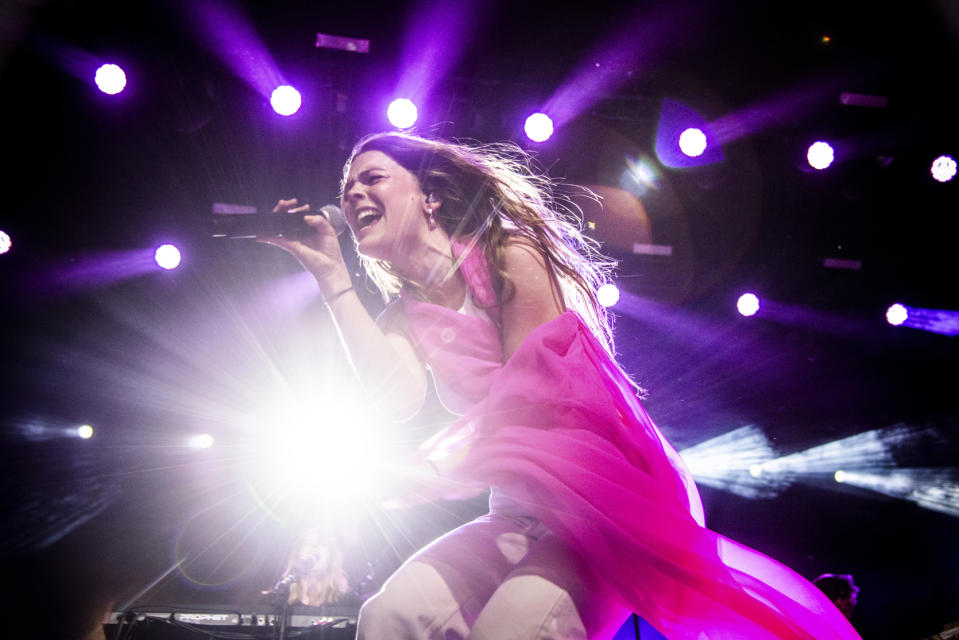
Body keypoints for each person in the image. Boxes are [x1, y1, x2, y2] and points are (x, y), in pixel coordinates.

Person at [263, 132, 862, 640]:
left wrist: (438, 469)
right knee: (389, 616)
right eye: (348, 189)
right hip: (518, 507)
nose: (354, 194)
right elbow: (395, 401)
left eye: (372, 178)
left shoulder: (507, 256)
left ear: (430, 195)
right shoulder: (403, 311)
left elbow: (537, 397)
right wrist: (331, 274)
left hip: (600, 504)